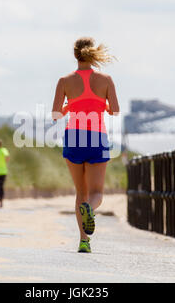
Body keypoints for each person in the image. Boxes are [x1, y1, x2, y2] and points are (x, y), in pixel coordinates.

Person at [51, 37, 120, 253]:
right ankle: (89, 209)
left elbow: (55, 115)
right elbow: (115, 110)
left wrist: (68, 107)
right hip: (96, 137)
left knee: (80, 192)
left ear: (75, 55)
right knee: (96, 192)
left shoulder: (64, 80)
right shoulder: (106, 79)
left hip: (74, 137)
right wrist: (104, 106)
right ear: (92, 54)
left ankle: (83, 241)